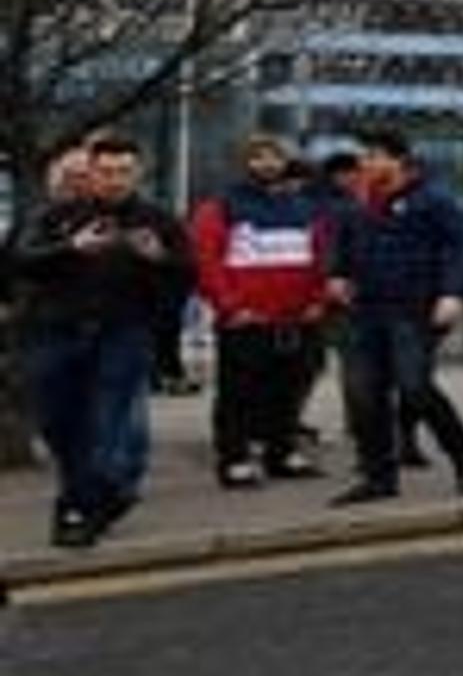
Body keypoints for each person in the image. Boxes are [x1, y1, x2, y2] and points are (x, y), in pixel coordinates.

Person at [12, 131, 193, 550]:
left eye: (124, 172)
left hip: (122, 334)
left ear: (139, 173)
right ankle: (102, 496)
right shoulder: (57, 215)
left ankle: (75, 510)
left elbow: (185, 278)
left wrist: (158, 260)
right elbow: (23, 261)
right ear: (89, 172)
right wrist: (72, 248)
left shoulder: (158, 220)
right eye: (105, 172)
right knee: (57, 423)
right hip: (53, 332)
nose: (114, 180)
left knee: (105, 426)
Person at [324, 125, 463, 504]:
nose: (366, 163)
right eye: (365, 156)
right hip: (366, 309)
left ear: (398, 161)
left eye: (375, 156)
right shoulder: (357, 203)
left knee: (415, 387)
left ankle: (462, 453)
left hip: (412, 307)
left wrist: (452, 293)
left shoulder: (432, 199)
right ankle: (379, 475)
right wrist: (338, 276)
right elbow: (342, 247)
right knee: (364, 394)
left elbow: (460, 247)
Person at [189, 132, 334, 487]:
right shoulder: (220, 208)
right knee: (238, 393)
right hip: (246, 318)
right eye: (258, 157)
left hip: (297, 316)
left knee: (289, 389)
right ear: (244, 162)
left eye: (274, 157)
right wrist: (229, 307)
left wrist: (318, 301)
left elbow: (320, 257)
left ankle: (282, 452)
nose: (267, 164)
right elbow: (206, 261)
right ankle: (234, 458)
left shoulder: (305, 208)